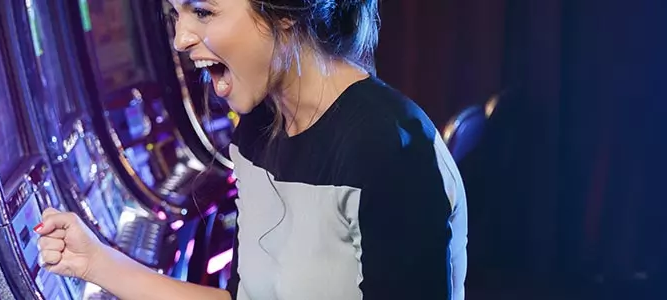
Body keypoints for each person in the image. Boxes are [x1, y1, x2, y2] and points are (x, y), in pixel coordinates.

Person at [34, 0, 468, 299]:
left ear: (282, 13)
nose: (180, 39)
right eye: (175, 15)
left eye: (202, 11)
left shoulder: (388, 148)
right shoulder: (258, 130)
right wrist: (96, 262)